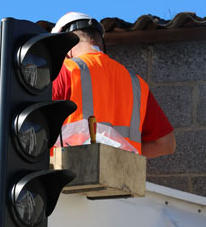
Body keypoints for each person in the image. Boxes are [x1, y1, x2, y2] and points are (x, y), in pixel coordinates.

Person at [51, 12, 176, 158]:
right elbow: (166, 144)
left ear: (65, 45)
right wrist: (118, 157)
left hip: (74, 176)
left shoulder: (65, 71)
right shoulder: (137, 84)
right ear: (100, 43)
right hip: (122, 177)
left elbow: (35, 129)